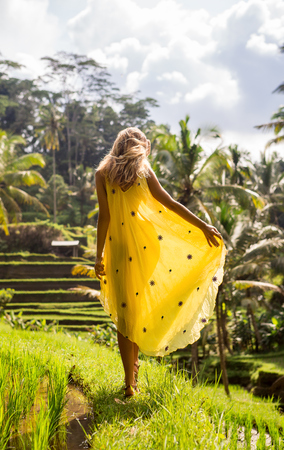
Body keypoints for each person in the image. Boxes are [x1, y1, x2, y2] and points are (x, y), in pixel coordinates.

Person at [94, 127, 226, 398]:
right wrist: (203, 226)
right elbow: (170, 204)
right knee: (133, 311)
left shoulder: (102, 173)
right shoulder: (143, 171)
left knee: (125, 315)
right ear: (139, 146)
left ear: (118, 144)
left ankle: (130, 383)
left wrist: (99, 256)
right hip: (146, 246)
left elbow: (104, 217)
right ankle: (133, 376)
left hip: (119, 248)